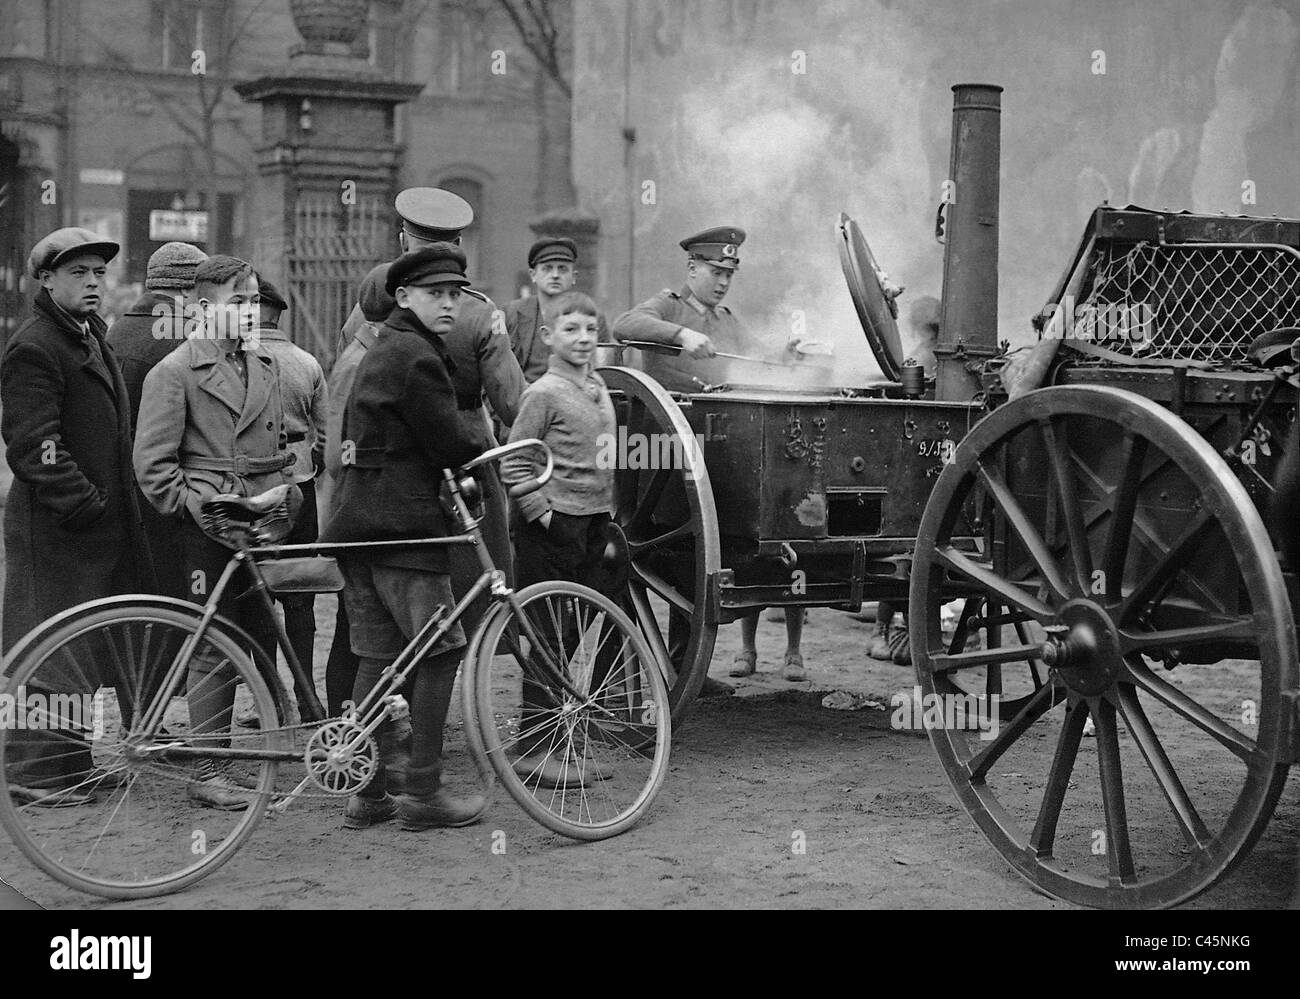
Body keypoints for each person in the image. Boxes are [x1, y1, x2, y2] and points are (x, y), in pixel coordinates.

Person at [320, 243, 486, 832]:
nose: (448, 304)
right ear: (405, 297)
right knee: (442, 652)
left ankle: (367, 793)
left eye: (454, 295)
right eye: (435, 294)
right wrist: (484, 449)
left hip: (360, 528)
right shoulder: (416, 355)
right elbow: (448, 442)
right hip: (407, 531)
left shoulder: (384, 347)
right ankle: (423, 793)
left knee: (376, 658)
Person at [612, 226, 806, 690]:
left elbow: (751, 361)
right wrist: (680, 334)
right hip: (663, 456)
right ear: (692, 268)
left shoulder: (727, 320)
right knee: (681, 560)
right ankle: (646, 676)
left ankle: (683, 671)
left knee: (698, 567)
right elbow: (623, 326)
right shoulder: (668, 306)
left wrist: (785, 353)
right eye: (715, 272)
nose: (722, 282)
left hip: (718, 456)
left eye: (728, 274)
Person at [134, 255, 294, 810]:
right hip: (209, 528)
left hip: (263, 521)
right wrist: (197, 508)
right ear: (203, 309)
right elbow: (153, 466)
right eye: (238, 303)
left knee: (257, 636)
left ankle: (245, 759)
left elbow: (285, 444)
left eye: (253, 301)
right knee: (212, 645)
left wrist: (283, 491)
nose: (250, 311)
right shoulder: (174, 372)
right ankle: (210, 768)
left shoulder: (264, 364)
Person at [2, 227, 152, 805]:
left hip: (88, 528)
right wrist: (86, 501)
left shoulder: (89, 333)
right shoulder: (36, 345)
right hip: (55, 530)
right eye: (78, 274)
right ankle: (32, 778)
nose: (93, 283)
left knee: (79, 646)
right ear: (46, 280)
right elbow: (31, 443)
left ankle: (71, 768)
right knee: (47, 651)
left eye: (97, 274)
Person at [338, 188, 522, 637]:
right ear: (459, 247)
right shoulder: (478, 312)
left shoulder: (373, 304)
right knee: (475, 587)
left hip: (382, 465)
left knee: (380, 609)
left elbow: (349, 379)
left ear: (404, 241)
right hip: (461, 458)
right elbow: (513, 403)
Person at [501, 290, 618, 787]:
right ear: (548, 337)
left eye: (591, 330)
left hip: (592, 523)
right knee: (547, 636)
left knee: (571, 635)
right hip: (551, 529)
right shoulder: (542, 393)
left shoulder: (597, 387)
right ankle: (533, 750)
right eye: (571, 329)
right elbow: (513, 462)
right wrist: (542, 515)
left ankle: (553, 737)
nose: (584, 339)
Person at [106, 241, 208, 604]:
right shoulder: (186, 341)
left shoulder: (115, 332)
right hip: (170, 496)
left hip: (123, 493)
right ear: (187, 289)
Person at [247, 277, 328, 714]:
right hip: (301, 487)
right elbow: (326, 438)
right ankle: (306, 693)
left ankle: (272, 701)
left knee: (258, 596)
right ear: (278, 315)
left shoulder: (237, 359)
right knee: (301, 596)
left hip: (254, 493)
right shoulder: (307, 362)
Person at [321, 265, 392, 718]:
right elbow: (334, 455)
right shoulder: (357, 362)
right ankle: (341, 727)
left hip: (364, 507)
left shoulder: (372, 353)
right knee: (355, 630)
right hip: (357, 510)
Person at [503, 237, 608, 383]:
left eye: (562, 269)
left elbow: (601, 370)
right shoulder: (510, 313)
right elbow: (497, 365)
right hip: (520, 396)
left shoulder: (593, 317)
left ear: (573, 277)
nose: (555, 275)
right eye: (547, 268)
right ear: (533, 275)